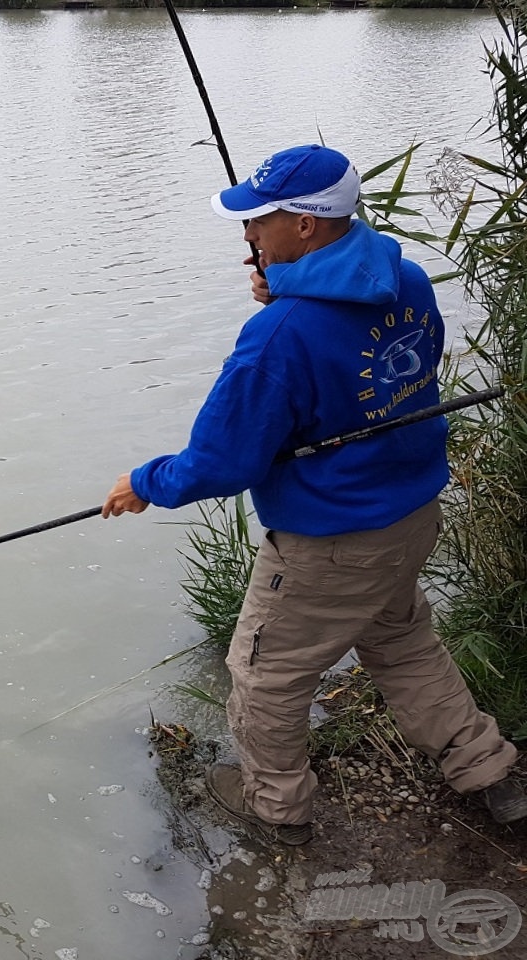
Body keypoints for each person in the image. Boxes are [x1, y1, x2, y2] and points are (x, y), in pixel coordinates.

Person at [101, 143, 526, 846]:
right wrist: (294, 288)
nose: (247, 237)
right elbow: (363, 356)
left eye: (258, 222)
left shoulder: (277, 337)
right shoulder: (409, 280)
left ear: (304, 225)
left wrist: (144, 483)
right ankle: (488, 771)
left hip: (332, 544)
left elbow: (221, 461)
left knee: (263, 675)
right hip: (411, 515)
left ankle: (276, 809)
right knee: (403, 641)